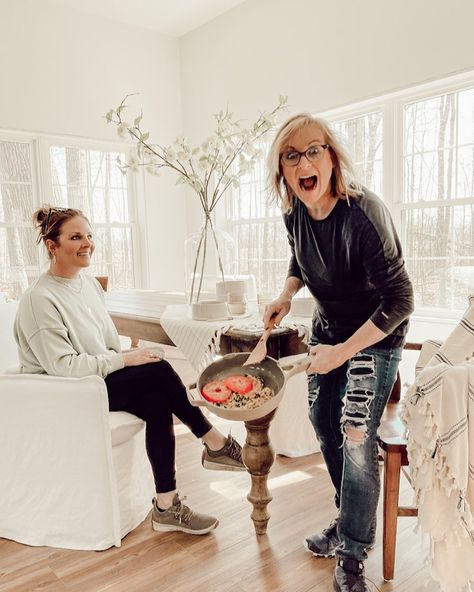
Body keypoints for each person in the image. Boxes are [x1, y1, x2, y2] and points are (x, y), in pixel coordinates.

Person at [14, 206, 245, 537]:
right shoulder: (40, 298)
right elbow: (63, 368)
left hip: (95, 381)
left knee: (156, 399)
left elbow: (106, 347)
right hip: (65, 394)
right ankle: (214, 440)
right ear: (52, 245)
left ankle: (167, 505)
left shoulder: (88, 285)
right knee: (159, 370)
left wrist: (128, 357)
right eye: (75, 237)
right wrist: (126, 360)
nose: (87, 244)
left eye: (89, 236)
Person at [264, 114, 414, 592]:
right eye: (292, 155)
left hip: (376, 333)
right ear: (283, 171)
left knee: (353, 432)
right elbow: (299, 257)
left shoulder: (364, 213)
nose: (304, 161)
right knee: (322, 423)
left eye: (314, 150)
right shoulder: (294, 212)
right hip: (328, 331)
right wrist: (286, 294)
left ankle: (351, 552)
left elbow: (402, 299)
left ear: (332, 157)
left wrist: (342, 353)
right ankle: (346, 515)